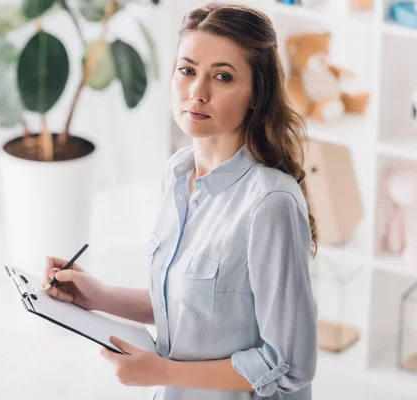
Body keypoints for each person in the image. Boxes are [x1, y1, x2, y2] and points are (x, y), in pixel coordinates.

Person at [42, 3, 319, 399]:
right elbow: (198, 310)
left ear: (257, 95)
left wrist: (162, 370)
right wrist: (100, 297)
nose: (197, 92)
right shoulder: (177, 175)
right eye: (187, 70)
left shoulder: (270, 204)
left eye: (222, 77)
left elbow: (288, 364)